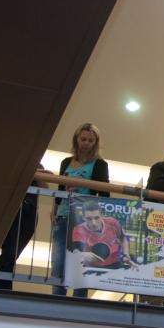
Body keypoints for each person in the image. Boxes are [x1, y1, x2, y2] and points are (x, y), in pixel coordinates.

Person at [52, 123, 110, 296]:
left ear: (95, 143)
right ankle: (57, 298)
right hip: (64, 214)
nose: (86, 143)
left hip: (85, 219)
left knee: (83, 261)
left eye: (90, 140)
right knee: (59, 261)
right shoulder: (66, 162)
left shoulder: (99, 164)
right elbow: (60, 189)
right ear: (76, 140)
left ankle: (79, 299)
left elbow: (104, 193)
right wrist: (54, 210)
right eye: (83, 139)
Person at [0, 164, 49, 291]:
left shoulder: (36, 164)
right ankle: (1, 287)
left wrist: (37, 174)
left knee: (12, 253)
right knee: (9, 252)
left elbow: (45, 187)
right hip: (14, 208)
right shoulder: (15, 162)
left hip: (29, 210)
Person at [70, 200, 137, 270]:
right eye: (89, 218)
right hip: (91, 267)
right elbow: (76, 251)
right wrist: (81, 255)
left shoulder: (113, 223)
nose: (93, 223)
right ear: (83, 217)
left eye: (96, 218)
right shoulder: (78, 230)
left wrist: (126, 254)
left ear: (102, 215)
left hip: (114, 264)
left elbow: (123, 239)